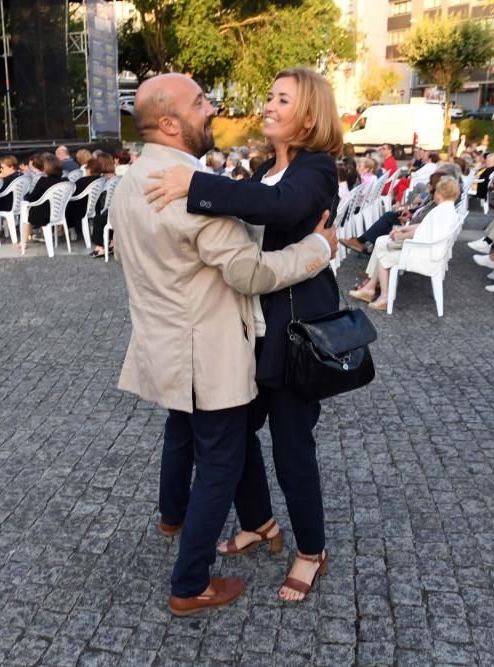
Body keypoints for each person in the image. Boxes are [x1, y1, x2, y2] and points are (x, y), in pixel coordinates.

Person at [113, 72, 337, 616]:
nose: (215, 107)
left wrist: (199, 186)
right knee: (228, 445)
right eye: (199, 102)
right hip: (231, 338)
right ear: (170, 122)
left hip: (286, 334)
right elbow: (247, 257)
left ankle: (307, 547)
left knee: (279, 444)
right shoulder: (246, 172)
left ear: (308, 116)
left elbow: (279, 209)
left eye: (282, 98)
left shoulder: (315, 168)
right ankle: (233, 546)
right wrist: (316, 247)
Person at [348, 176, 462, 310]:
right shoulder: (447, 210)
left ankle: (384, 297)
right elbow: (424, 227)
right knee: (382, 243)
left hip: (423, 254)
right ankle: (370, 288)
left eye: (436, 191)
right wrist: (403, 229)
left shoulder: (441, 212)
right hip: (427, 251)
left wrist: (400, 236)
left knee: (383, 255)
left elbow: (421, 234)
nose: (433, 193)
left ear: (441, 194)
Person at [19, 154, 62, 252]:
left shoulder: (43, 181)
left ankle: (24, 242)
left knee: (26, 210)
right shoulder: (65, 180)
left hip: (44, 215)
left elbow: (32, 197)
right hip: (60, 213)